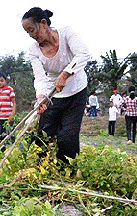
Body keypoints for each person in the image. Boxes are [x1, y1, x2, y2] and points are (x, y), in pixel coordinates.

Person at [22, 7, 91, 162]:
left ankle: (67, 171)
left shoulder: (66, 33)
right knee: (43, 135)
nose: (32, 36)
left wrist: (65, 74)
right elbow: (40, 78)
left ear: (44, 23)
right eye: (28, 33)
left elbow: (83, 53)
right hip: (54, 95)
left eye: (32, 30)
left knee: (68, 137)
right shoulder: (33, 51)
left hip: (76, 93)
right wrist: (41, 97)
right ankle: (41, 169)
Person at [0, 73, 16, 147]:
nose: (0, 82)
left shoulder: (9, 90)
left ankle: (13, 152)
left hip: (9, 118)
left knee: (11, 136)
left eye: (2, 81)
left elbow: (14, 103)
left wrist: (12, 115)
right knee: (0, 137)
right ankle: (2, 152)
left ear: (5, 81)